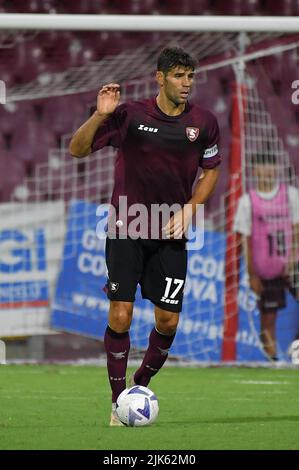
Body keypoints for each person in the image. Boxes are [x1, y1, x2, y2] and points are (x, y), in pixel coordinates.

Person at [69, 47, 221, 425]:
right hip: (126, 226)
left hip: (171, 232)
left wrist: (190, 208)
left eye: (190, 76)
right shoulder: (131, 115)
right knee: (120, 314)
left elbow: (212, 170)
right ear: (160, 77)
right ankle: (118, 400)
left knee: (168, 321)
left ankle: (140, 384)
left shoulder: (204, 122)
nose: (186, 83)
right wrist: (99, 116)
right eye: (179, 76)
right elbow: (77, 150)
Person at [234, 154, 299, 361]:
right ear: (255, 171)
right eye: (263, 167)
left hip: (294, 265)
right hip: (266, 271)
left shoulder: (290, 194)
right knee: (268, 319)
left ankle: (297, 345)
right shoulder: (247, 202)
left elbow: (297, 228)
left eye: (272, 167)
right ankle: (276, 362)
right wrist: (252, 274)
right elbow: (245, 241)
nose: (268, 171)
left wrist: (292, 259)